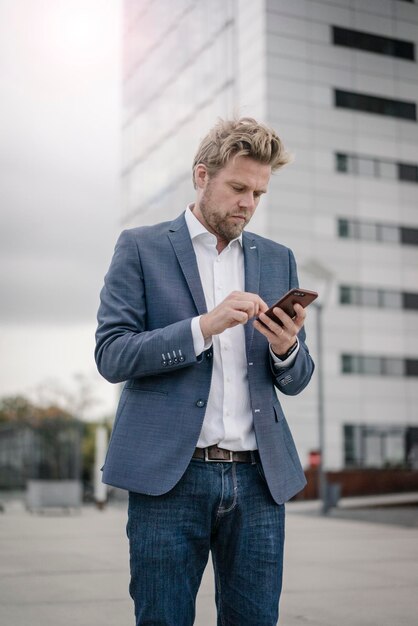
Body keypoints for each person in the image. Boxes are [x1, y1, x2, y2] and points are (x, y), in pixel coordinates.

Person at [95, 117, 315, 626]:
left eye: (258, 193)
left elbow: (298, 378)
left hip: (259, 481)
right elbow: (112, 354)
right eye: (238, 187)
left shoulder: (278, 259)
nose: (248, 203)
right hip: (170, 480)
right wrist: (203, 327)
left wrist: (286, 349)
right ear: (202, 176)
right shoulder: (141, 247)